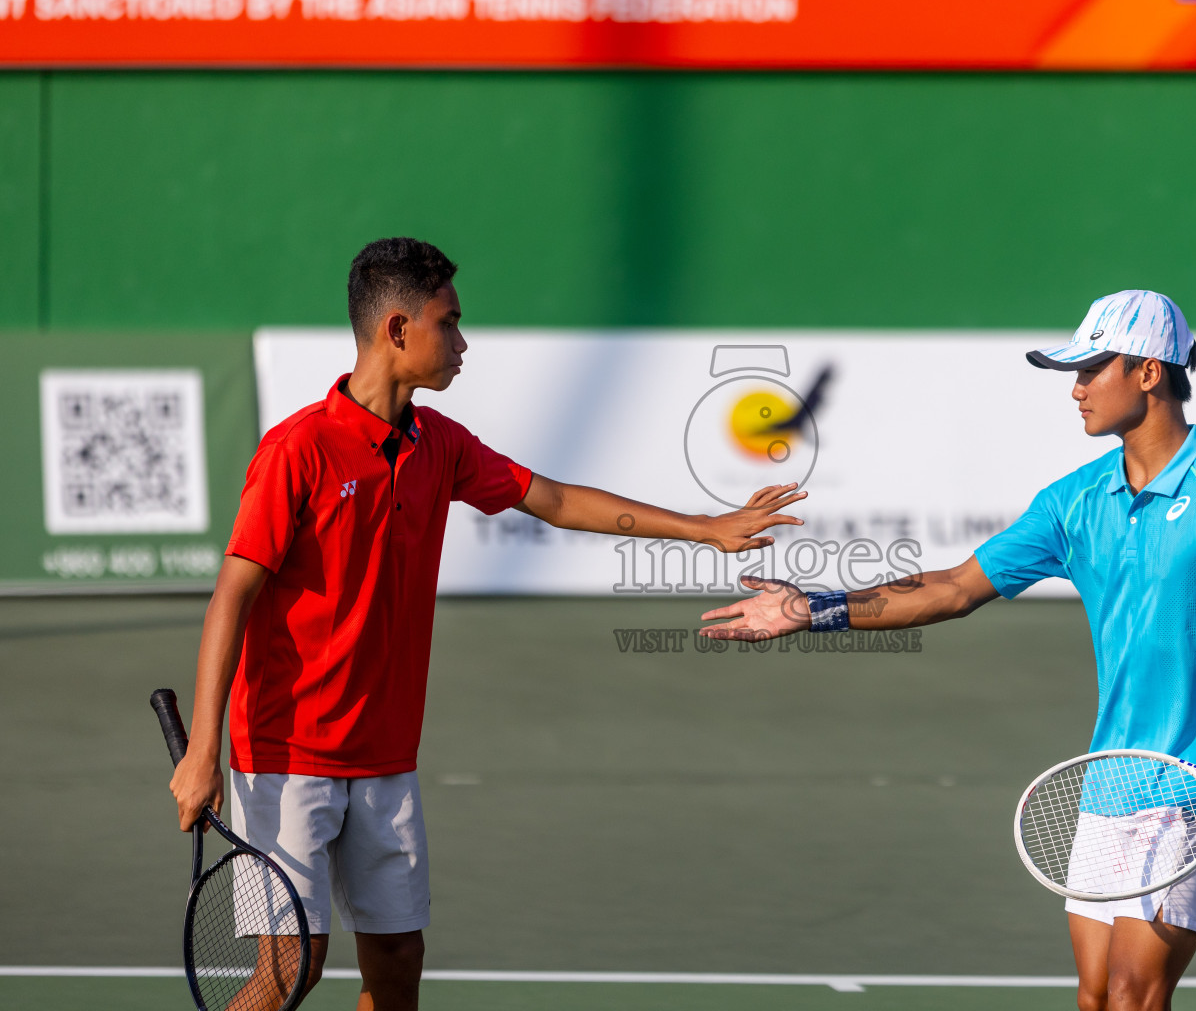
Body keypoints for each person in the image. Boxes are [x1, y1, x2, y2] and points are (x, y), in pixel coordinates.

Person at [167, 237, 806, 1011]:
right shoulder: (296, 451)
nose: (464, 343)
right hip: (286, 754)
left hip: (385, 756)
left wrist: (703, 528)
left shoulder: (441, 445)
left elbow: (557, 501)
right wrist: (205, 752)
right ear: (397, 329)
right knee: (285, 977)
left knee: (398, 965)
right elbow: (231, 596)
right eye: (451, 322)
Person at [699, 289, 1196, 1011]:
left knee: (1135, 993)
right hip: (1109, 777)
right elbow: (951, 586)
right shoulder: (1074, 501)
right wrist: (814, 610)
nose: (1075, 390)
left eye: (1091, 370)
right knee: (1097, 996)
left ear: (1148, 373)